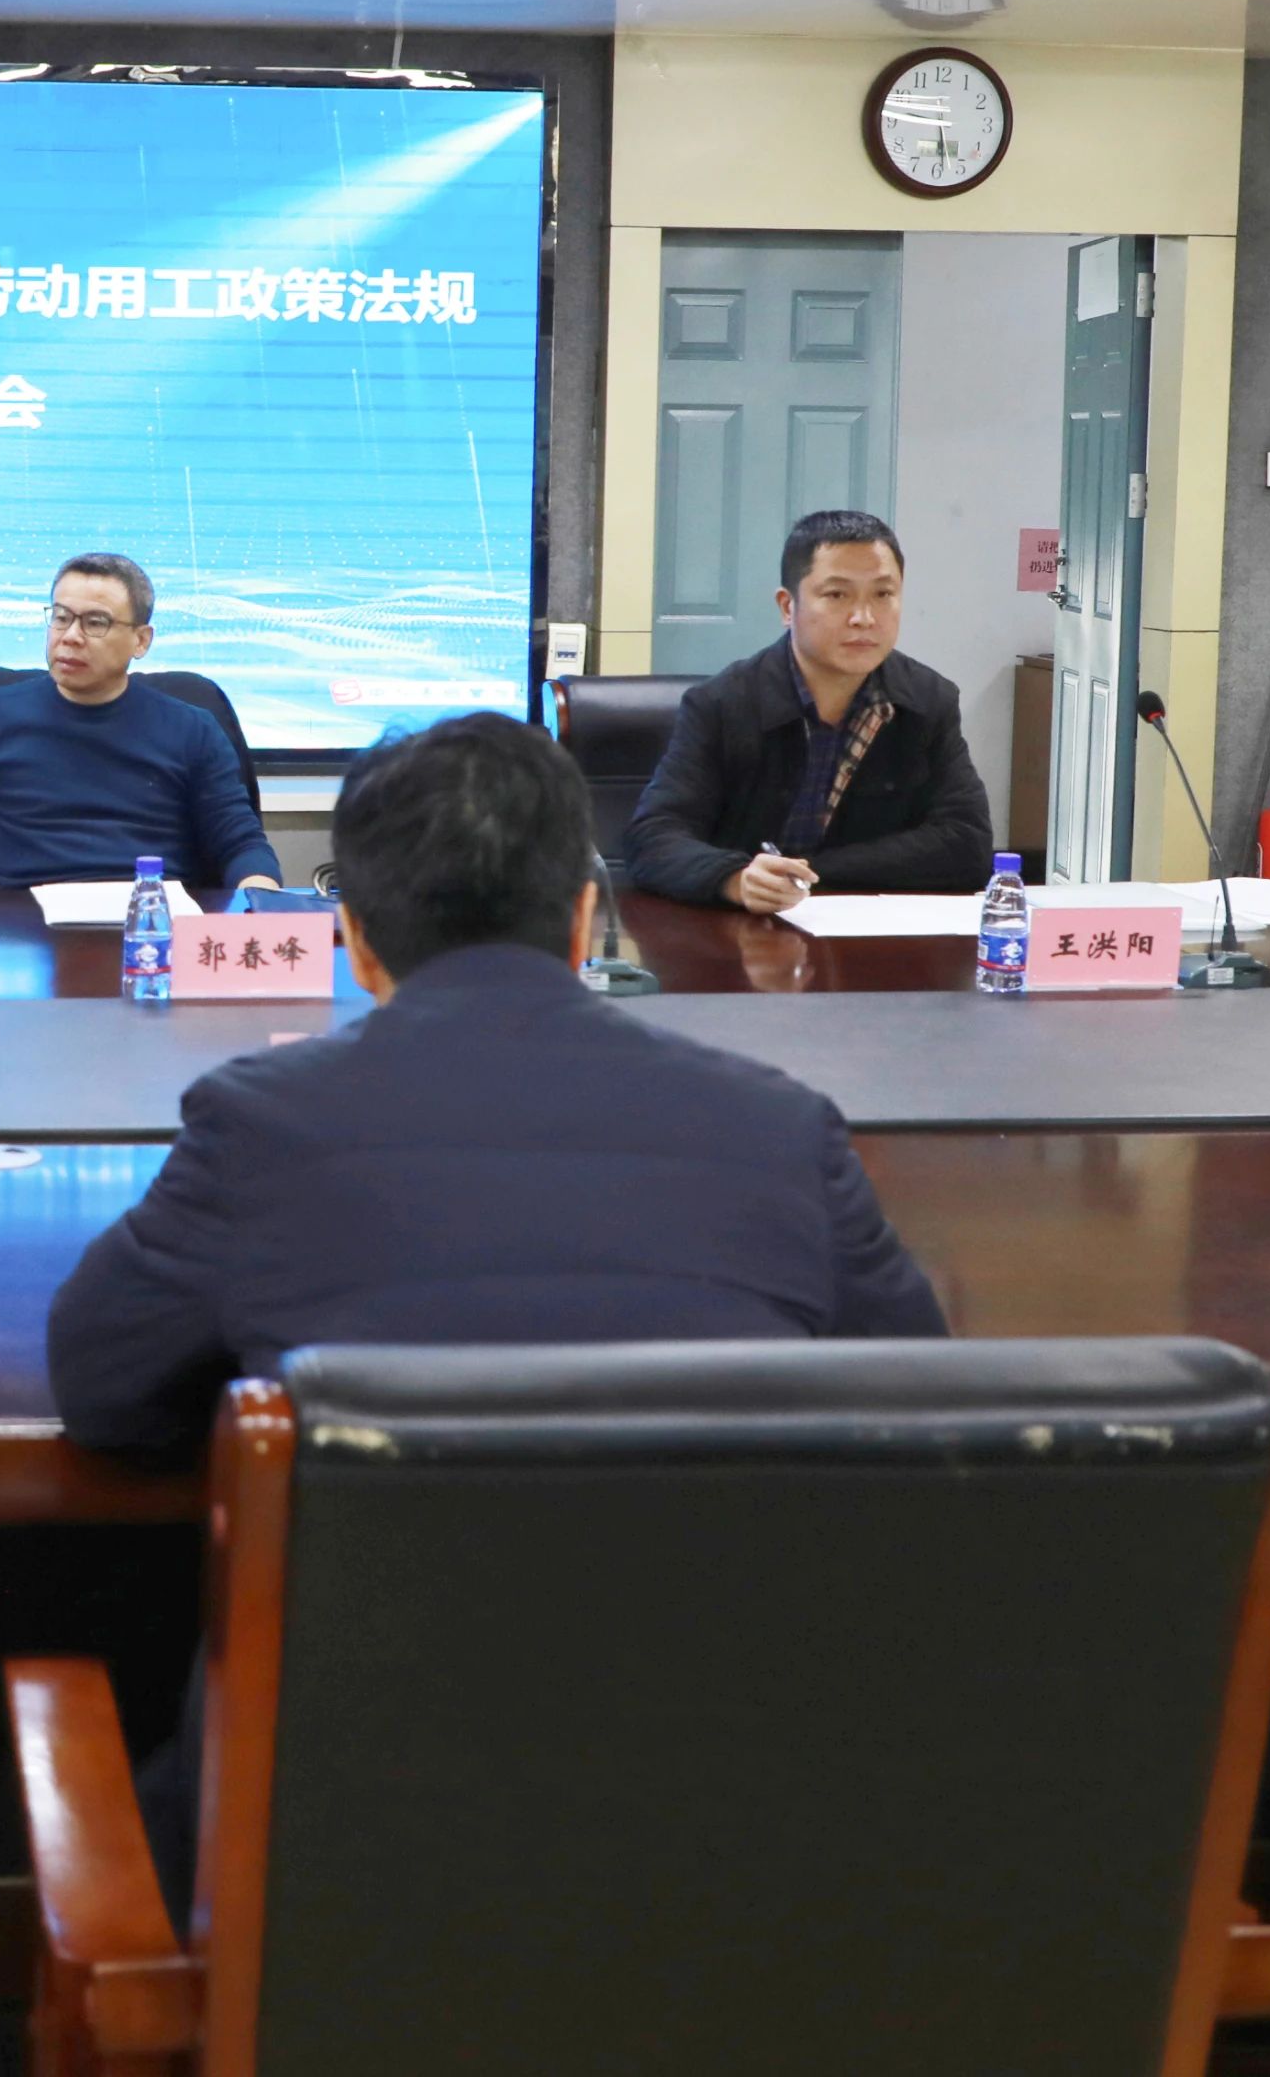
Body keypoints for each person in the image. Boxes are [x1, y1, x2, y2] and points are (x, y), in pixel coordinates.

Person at [47, 710, 945, 1896]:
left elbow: (104, 1391)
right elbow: (920, 1414)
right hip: (733, 1851)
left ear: (353, 941)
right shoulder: (781, 1128)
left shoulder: (263, 1124)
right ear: (584, 920)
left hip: (335, 1870)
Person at [623, 508, 993, 913]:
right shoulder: (722, 704)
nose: (864, 618)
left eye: (883, 594)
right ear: (788, 607)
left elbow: (967, 844)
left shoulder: (928, 701)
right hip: (739, 933)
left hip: (865, 933)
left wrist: (809, 872)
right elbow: (654, 838)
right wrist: (735, 879)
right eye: (837, 595)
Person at [0, 554, 283, 893]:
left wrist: (261, 897)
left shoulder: (192, 729)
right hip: (20, 924)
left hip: (150, 921)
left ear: (141, 640)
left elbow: (241, 844)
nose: (70, 636)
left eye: (95, 623)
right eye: (61, 618)